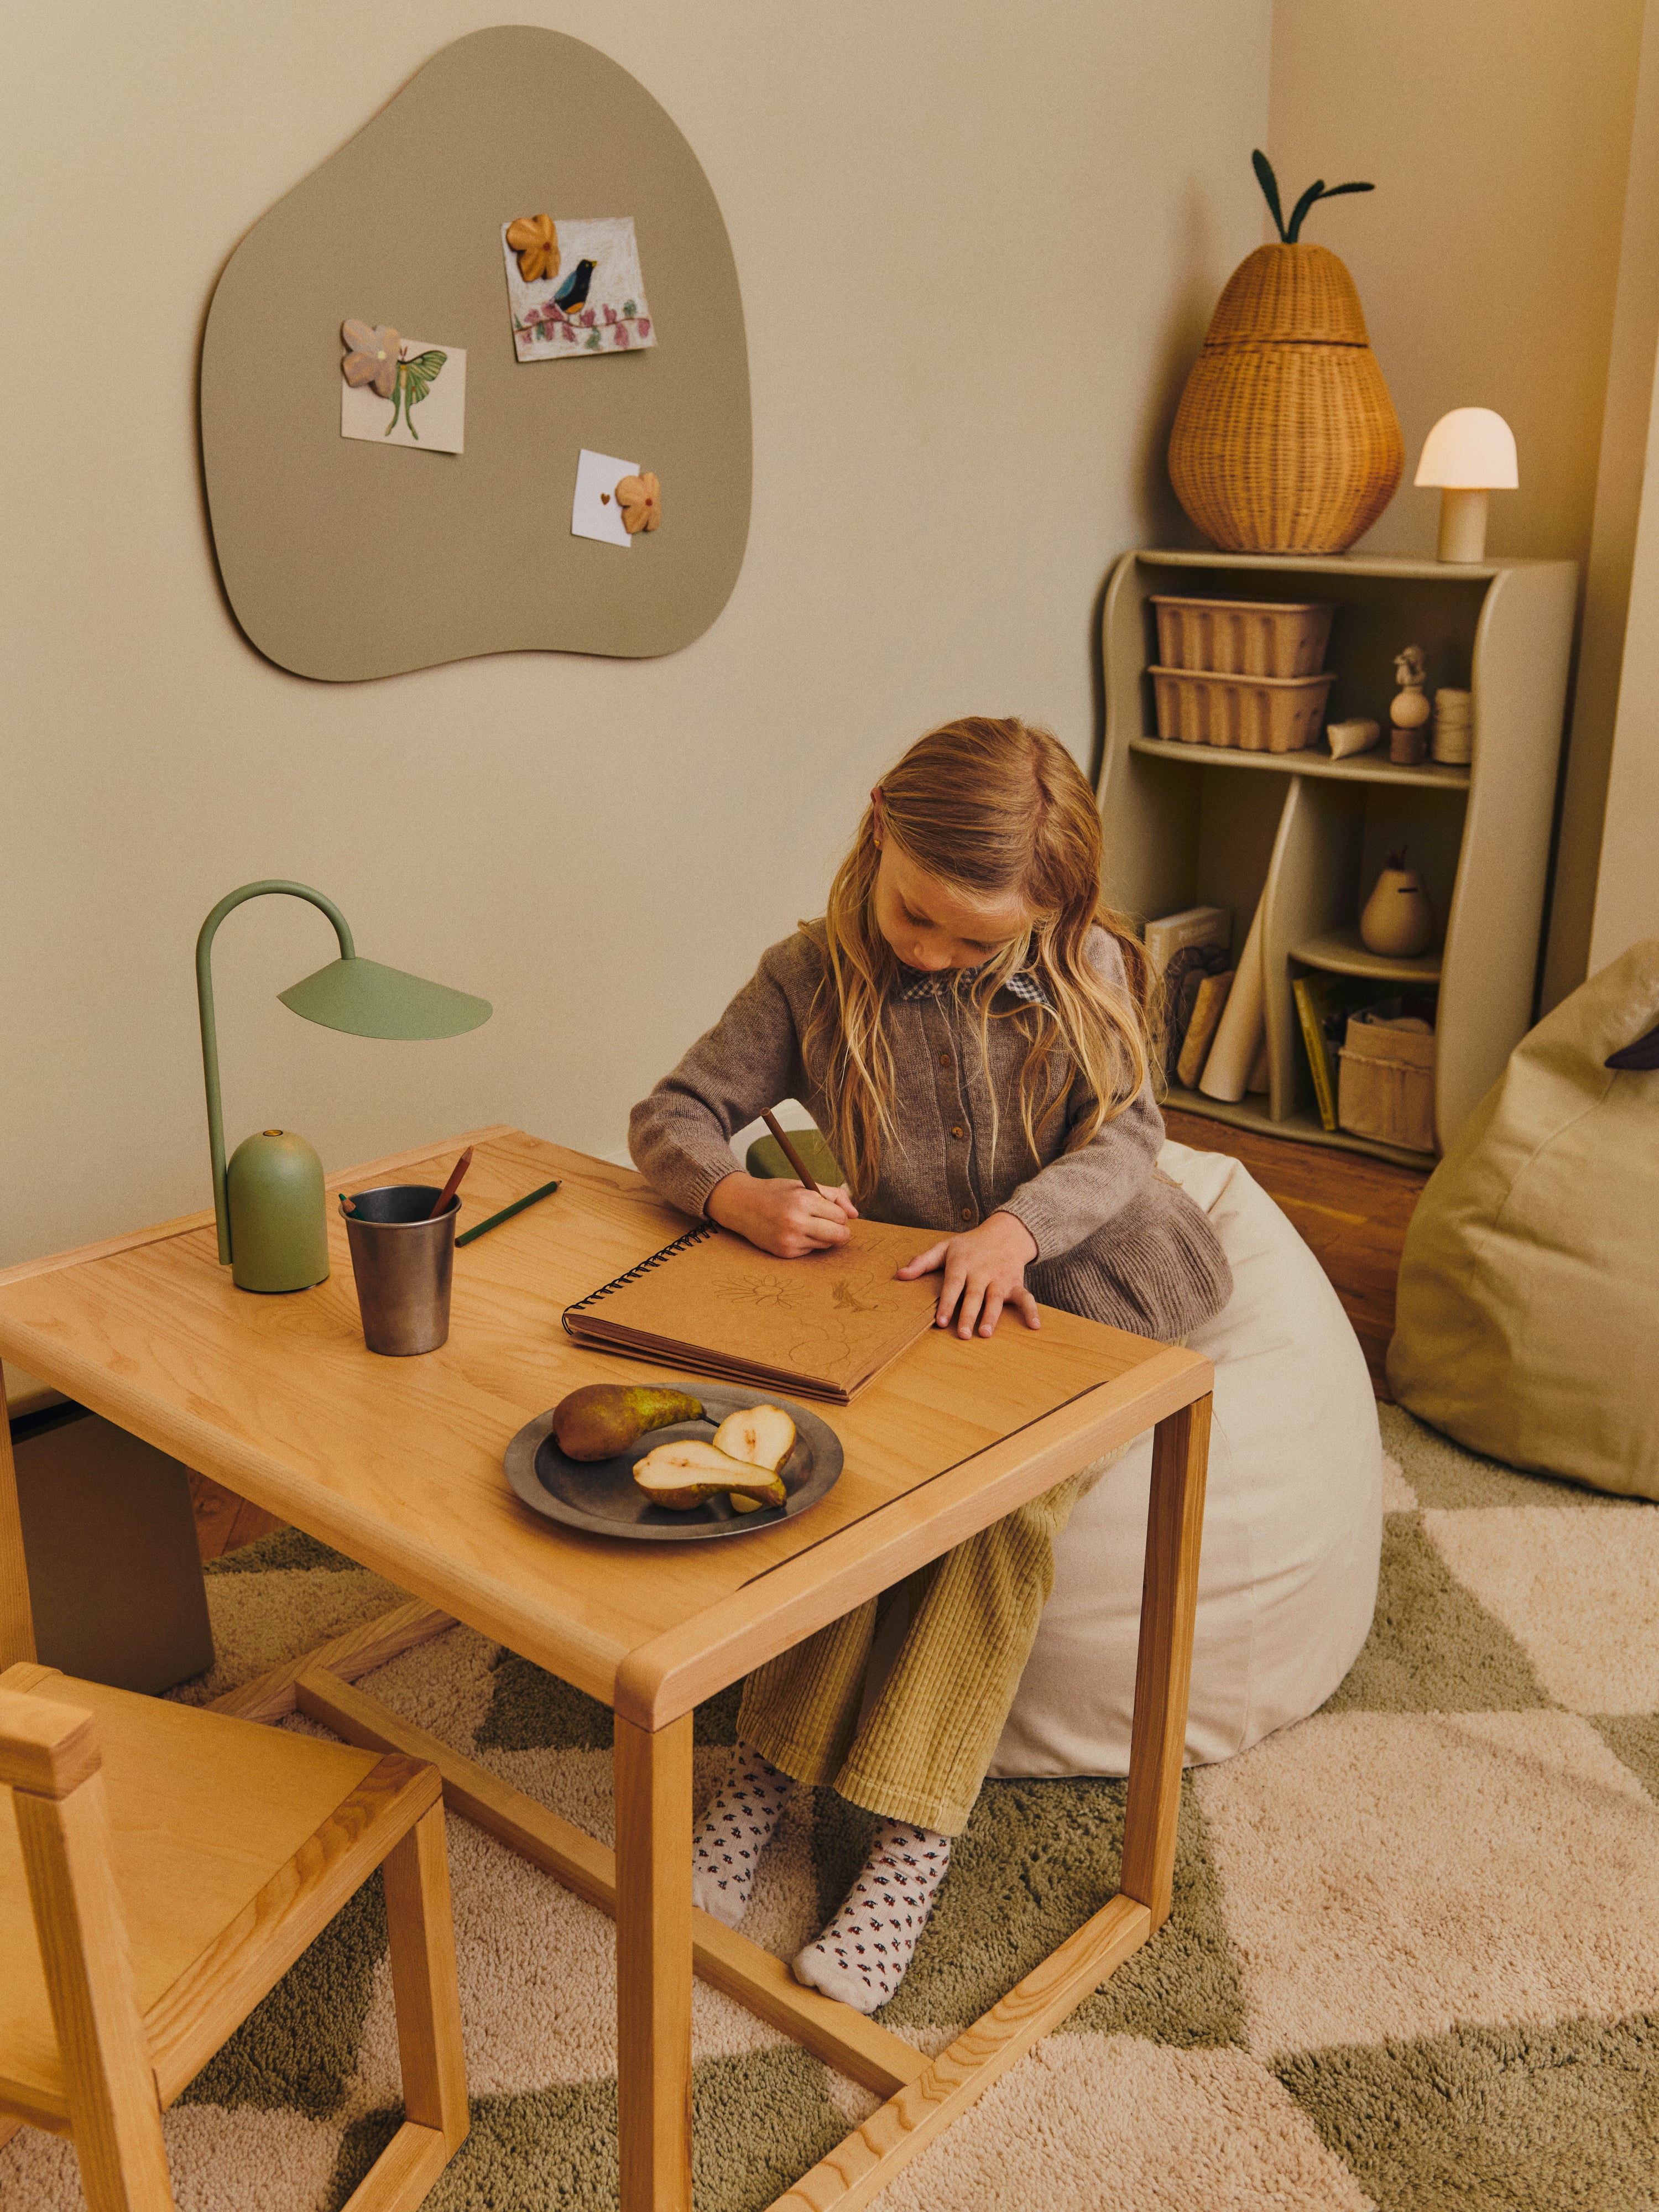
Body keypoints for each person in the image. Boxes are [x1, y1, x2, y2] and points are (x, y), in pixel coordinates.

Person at [628, 716, 1232, 2012]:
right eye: (922, 917)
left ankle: (914, 1836)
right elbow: (669, 1115)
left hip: (1100, 1286)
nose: (939, 951)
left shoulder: (1095, 964)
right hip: (914, 1302)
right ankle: (769, 1777)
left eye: (979, 938)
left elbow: (1131, 1137)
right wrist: (739, 1201)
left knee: (1001, 1507)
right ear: (879, 824)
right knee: (856, 1477)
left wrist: (1019, 1227)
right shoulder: (806, 977)